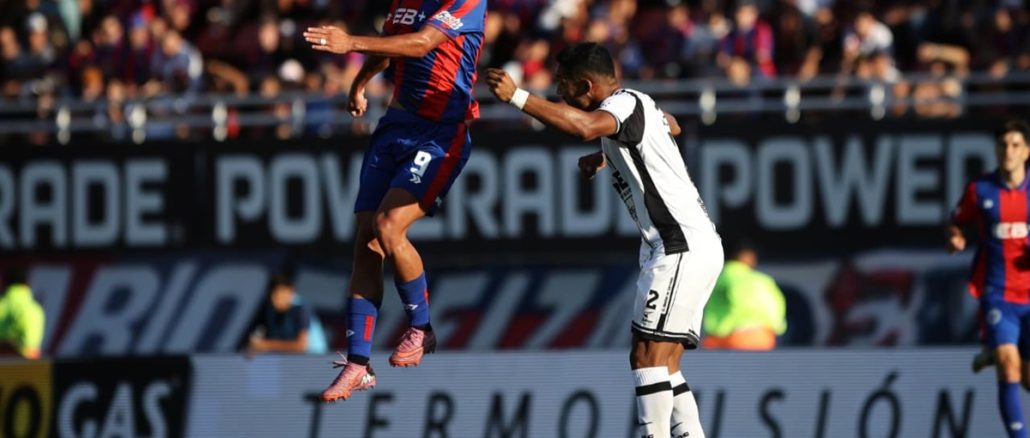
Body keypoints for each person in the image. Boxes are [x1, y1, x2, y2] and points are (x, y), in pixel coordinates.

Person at [486, 42, 723, 438]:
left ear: (586, 86)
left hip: (678, 245)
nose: (559, 93)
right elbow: (671, 125)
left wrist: (518, 97)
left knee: (645, 356)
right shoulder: (636, 106)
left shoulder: (625, 105)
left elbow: (582, 126)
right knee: (665, 364)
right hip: (693, 245)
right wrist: (608, 154)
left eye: (563, 86)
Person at [301, 0, 487, 403]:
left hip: (440, 134)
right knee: (366, 242)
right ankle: (358, 363)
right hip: (393, 130)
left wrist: (348, 42)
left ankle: (422, 327)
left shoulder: (467, 2)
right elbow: (391, 47)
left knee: (389, 226)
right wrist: (360, 83)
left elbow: (420, 44)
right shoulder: (406, 2)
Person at [948, 119, 1030, 438]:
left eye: (1014, 145)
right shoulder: (980, 189)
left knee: (1025, 376)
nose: (1008, 152)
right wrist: (954, 238)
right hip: (998, 294)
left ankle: (992, 353)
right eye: (1002, 145)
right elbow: (956, 222)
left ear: (1027, 152)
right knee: (1009, 364)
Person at [703, 239, 786, 350]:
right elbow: (776, 309)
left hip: (730, 339)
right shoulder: (764, 280)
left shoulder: (720, 278)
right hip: (764, 337)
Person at [245, 272, 329, 355]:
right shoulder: (268, 310)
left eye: (280, 295)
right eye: (274, 295)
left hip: (312, 360)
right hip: (284, 359)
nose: (276, 300)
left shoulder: (301, 309)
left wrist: (267, 345)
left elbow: (301, 346)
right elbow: (255, 341)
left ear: (291, 292)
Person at [0, 268, 45, 359]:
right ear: (28, 284)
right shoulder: (34, 309)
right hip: (23, 368)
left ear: (4, 283)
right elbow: (31, 349)